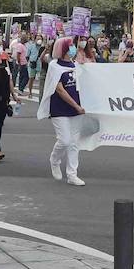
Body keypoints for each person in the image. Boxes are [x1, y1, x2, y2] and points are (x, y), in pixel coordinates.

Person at [39, 37, 86, 186]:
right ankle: (55, 159)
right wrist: (76, 106)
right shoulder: (55, 65)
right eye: (70, 45)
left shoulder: (76, 64)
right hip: (60, 108)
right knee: (64, 140)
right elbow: (59, 89)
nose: (73, 48)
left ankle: (72, 174)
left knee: (74, 143)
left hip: (76, 109)